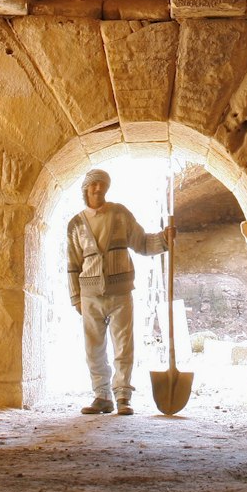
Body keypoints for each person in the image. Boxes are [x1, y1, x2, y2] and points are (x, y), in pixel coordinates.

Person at [66, 167, 173, 415]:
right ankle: (101, 395)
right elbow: (72, 264)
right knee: (94, 348)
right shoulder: (75, 224)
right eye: (94, 185)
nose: (99, 188)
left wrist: (165, 239)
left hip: (120, 292)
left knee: (124, 345)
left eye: (103, 184)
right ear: (85, 189)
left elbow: (142, 243)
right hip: (90, 294)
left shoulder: (120, 214)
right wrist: (75, 297)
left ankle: (123, 395)